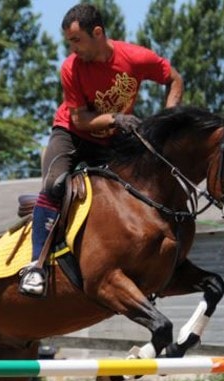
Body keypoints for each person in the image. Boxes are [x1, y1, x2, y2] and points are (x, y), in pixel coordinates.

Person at [19, 3, 184, 296]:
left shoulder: (134, 57)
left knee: (145, 183)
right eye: (69, 42)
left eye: (76, 40)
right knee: (55, 184)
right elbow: (80, 119)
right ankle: (36, 266)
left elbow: (174, 79)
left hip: (111, 141)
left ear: (97, 33)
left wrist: (170, 118)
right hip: (71, 134)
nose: (72, 48)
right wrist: (115, 118)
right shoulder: (71, 67)